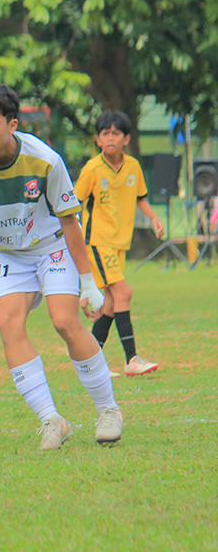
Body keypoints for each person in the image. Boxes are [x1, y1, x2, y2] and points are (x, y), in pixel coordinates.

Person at [0, 82, 122, 450]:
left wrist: (88, 282)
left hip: (52, 246)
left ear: (12, 125)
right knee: (8, 323)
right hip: (7, 253)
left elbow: (69, 220)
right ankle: (52, 420)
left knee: (64, 321)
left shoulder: (45, 160)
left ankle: (108, 410)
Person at [74, 111, 164, 377]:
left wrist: (154, 217)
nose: (110, 138)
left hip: (119, 243)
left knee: (111, 303)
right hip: (97, 241)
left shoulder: (133, 166)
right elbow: (73, 203)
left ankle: (91, 364)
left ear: (126, 139)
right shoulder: (93, 169)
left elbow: (140, 197)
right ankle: (132, 359)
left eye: (116, 133)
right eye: (105, 133)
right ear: (98, 140)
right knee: (123, 293)